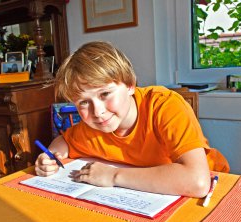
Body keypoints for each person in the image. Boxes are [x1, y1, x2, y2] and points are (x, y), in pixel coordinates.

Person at [35, 41, 229, 198]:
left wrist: (113, 175)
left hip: (212, 189)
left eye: (105, 94)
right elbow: (64, 141)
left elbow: (197, 182)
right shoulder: (94, 126)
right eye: (83, 102)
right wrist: (51, 156)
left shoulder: (164, 105)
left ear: (129, 85)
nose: (98, 111)